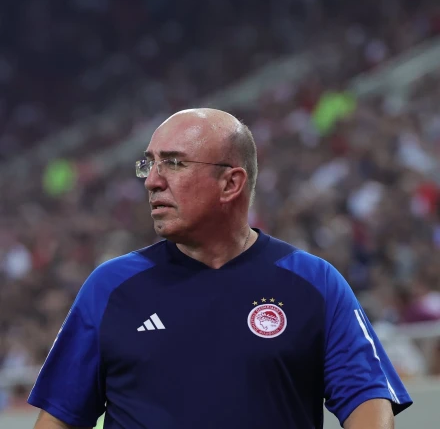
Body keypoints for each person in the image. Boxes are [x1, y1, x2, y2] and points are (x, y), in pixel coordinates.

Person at [28, 108, 412, 429]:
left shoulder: (315, 282)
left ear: (230, 183)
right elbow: (59, 417)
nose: (152, 181)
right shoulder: (110, 286)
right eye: (150, 164)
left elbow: (368, 398)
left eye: (173, 163)